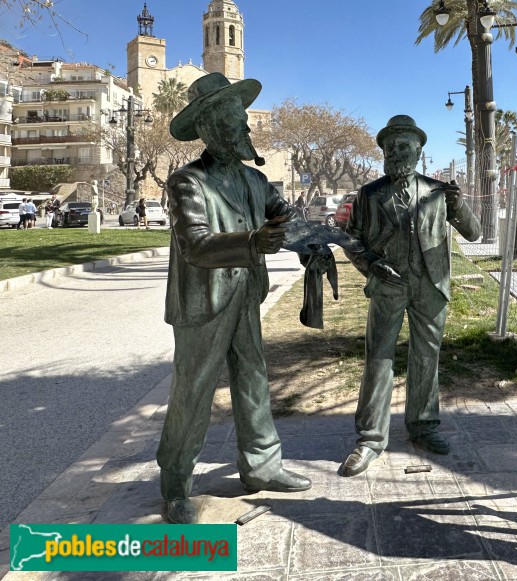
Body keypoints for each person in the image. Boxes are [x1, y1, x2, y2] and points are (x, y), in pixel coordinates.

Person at [157, 72, 327, 524]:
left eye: (245, 121)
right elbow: (194, 244)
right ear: (211, 127)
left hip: (246, 296)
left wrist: (318, 241)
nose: (247, 130)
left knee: (253, 380)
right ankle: (175, 482)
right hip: (202, 303)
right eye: (237, 122)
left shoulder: (255, 181)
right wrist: (253, 241)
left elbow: (287, 219)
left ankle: (263, 466)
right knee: (193, 391)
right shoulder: (186, 182)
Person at [339, 115, 481, 477]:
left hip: (430, 285)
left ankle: (423, 426)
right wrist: (371, 264)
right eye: (391, 147)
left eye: (405, 146)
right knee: (379, 359)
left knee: (426, 358)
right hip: (388, 286)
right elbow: (350, 239)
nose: (397, 152)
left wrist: (460, 205)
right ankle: (371, 438)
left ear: (419, 150)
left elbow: (475, 234)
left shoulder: (437, 192)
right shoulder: (370, 195)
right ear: (384, 151)